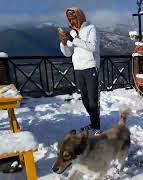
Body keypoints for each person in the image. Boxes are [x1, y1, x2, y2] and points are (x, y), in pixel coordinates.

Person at [59, 7, 101, 135]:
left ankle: (96, 126)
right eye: (70, 19)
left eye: (74, 18)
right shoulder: (71, 33)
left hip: (90, 66)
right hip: (78, 68)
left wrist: (74, 40)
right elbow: (67, 54)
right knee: (85, 99)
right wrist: (64, 43)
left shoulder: (91, 29)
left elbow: (93, 47)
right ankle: (94, 122)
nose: (72, 22)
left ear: (79, 17)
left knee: (93, 100)